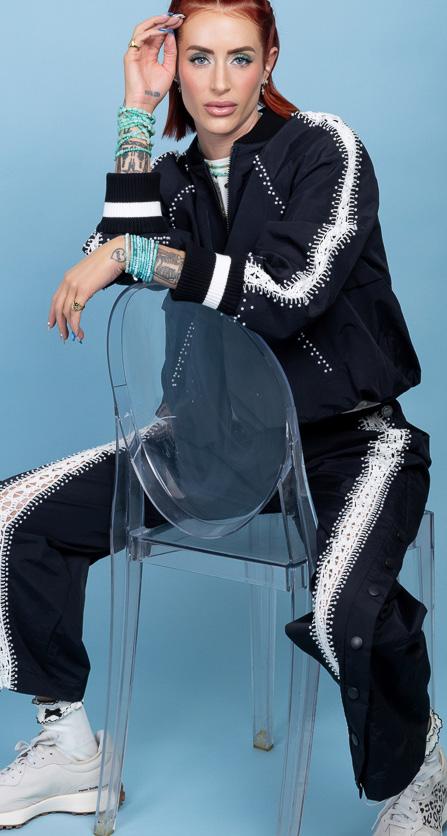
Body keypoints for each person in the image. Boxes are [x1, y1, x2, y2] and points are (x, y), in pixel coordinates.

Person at [0, 2, 445, 833]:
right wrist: (136, 114)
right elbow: (115, 253)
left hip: (352, 441)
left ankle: (418, 765)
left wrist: (134, 254)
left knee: (344, 608)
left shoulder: (325, 149)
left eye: (239, 58)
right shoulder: (172, 179)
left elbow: (287, 295)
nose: (218, 82)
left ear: (269, 60)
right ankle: (70, 751)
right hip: (214, 442)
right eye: (197, 59)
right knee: (17, 514)